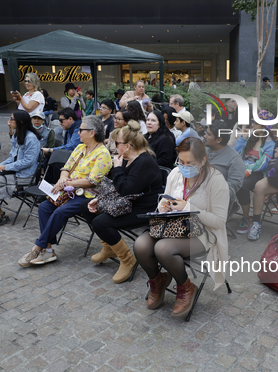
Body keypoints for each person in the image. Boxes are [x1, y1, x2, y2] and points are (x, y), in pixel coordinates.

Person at [134, 137, 230, 318]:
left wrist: (188, 207)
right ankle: (158, 280)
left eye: (190, 163)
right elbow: (165, 198)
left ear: (203, 160)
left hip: (204, 233)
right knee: (141, 245)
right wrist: (164, 206)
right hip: (172, 225)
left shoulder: (216, 180)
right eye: (181, 161)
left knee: (163, 249)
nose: (184, 166)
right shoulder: (176, 173)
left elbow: (219, 222)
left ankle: (186, 286)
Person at [18, 116, 112, 267]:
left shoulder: (103, 154)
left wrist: (67, 182)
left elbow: (92, 181)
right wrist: (63, 179)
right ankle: (48, 250)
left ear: (92, 133)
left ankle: (38, 247)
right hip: (69, 191)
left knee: (60, 211)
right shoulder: (81, 148)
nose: (78, 132)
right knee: (43, 207)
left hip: (87, 195)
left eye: (81, 130)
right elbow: (66, 168)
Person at [81, 120, 163, 283]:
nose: (113, 146)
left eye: (116, 143)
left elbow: (126, 189)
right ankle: (109, 247)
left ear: (128, 145)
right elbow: (116, 187)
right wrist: (99, 198)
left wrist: (117, 167)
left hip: (144, 207)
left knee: (101, 222)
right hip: (127, 201)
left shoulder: (143, 162)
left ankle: (127, 260)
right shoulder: (126, 157)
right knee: (86, 207)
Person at [0, 111, 41, 229]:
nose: (9, 122)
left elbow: (28, 162)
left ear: (20, 122)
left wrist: (5, 167)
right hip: (15, 172)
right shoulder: (17, 135)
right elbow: (12, 157)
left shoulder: (31, 138)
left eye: (11, 119)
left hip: (24, 176)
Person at [235, 111, 276, 239]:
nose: (252, 125)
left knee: (242, 185)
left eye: (255, 123)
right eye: (253, 122)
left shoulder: (270, 143)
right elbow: (235, 153)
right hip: (242, 169)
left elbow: (263, 164)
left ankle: (246, 217)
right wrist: (242, 138)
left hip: (257, 173)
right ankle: (231, 207)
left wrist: (247, 169)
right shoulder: (249, 138)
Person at [204, 120, 246, 209]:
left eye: (208, 134)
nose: (205, 136)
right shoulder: (204, 150)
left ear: (218, 140)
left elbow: (232, 188)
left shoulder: (234, 159)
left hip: (215, 202)